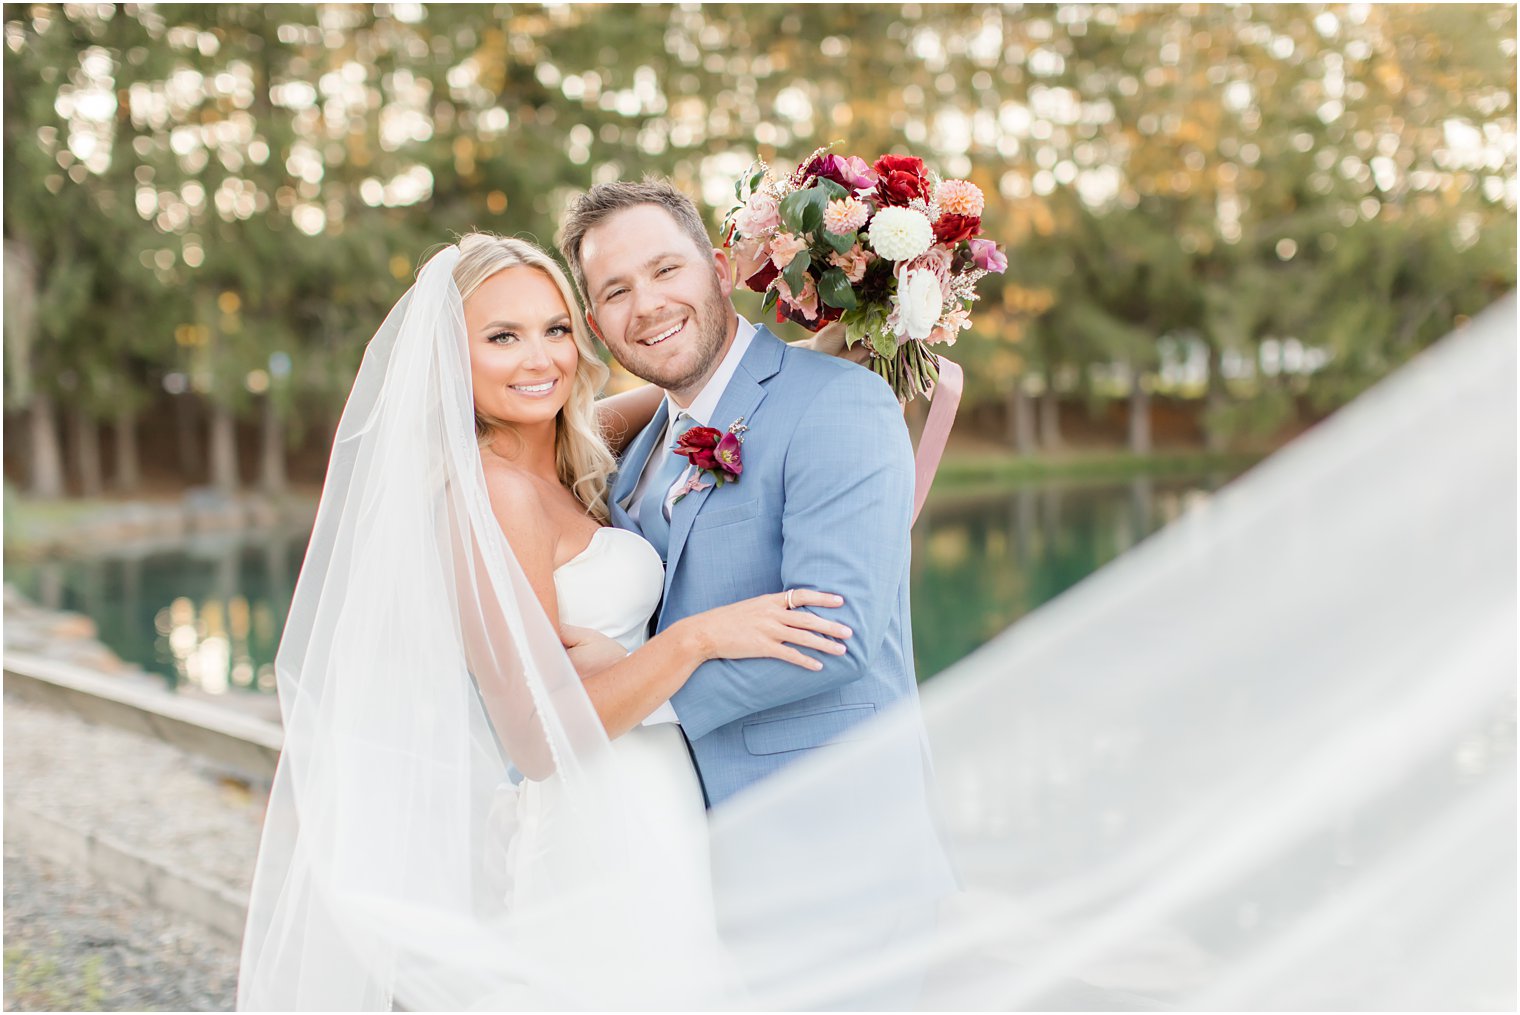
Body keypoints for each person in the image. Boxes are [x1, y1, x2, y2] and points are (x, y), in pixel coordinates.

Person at [236, 234, 866, 1010]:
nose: (540, 359)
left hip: (652, 802)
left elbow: (694, 398)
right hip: (598, 828)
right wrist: (695, 639)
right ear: (448, 359)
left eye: (556, 329)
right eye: (502, 337)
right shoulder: (491, 495)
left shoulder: (566, 453)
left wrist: (842, 332)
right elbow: (535, 740)